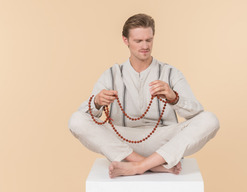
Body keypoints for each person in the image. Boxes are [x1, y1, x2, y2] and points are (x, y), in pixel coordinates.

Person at [68, 13, 220, 178]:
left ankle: (138, 166)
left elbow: (197, 113)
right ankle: (153, 166)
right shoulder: (111, 74)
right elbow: (85, 117)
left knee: (210, 119)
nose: (145, 46)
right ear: (125, 40)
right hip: (122, 140)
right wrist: (97, 102)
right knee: (76, 120)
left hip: (163, 140)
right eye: (138, 41)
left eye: (149, 40)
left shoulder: (170, 73)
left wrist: (174, 98)